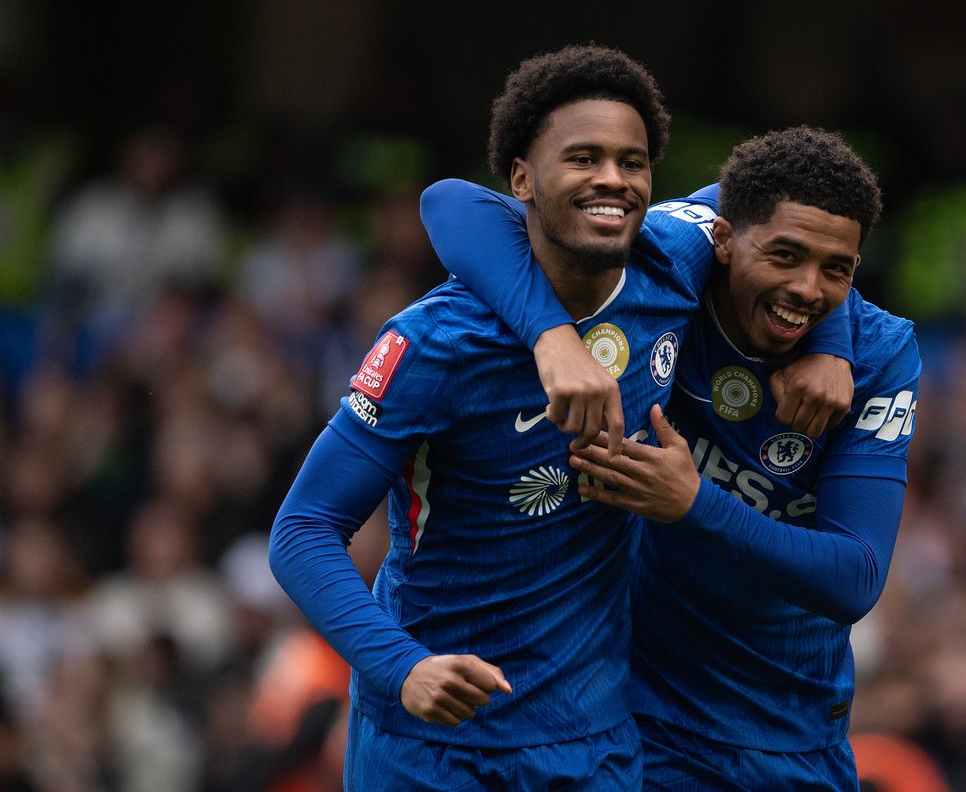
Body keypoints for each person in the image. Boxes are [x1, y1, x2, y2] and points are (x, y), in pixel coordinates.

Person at [269, 45, 850, 790]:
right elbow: (302, 531)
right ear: (521, 180)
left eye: (632, 163)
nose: (612, 178)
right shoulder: (434, 344)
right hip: (435, 744)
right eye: (583, 158)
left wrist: (831, 342)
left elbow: (802, 228)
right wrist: (399, 666)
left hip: (593, 744)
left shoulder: (671, 259)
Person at [422, 126, 919, 789]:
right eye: (784, 256)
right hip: (641, 715)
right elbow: (452, 205)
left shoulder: (880, 355)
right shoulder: (668, 258)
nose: (806, 287)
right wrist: (552, 339)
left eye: (836, 270)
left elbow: (854, 578)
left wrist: (693, 502)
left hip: (794, 727)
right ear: (722, 242)